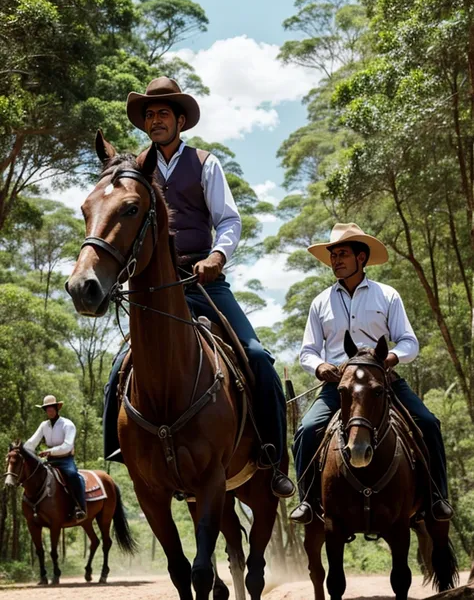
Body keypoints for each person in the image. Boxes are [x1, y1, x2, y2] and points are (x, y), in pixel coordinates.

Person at [104, 76, 294, 499]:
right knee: (118, 369)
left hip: (203, 282)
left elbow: (229, 220)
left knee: (259, 358)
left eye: (163, 114)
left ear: (181, 120)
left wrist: (217, 257)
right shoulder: (134, 168)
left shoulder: (205, 162)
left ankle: (272, 456)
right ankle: (119, 449)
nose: (155, 120)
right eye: (150, 115)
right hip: (152, 292)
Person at [289, 222, 453, 525]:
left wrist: (389, 358)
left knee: (429, 423)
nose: (335, 260)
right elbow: (308, 351)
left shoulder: (387, 295)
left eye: (342, 254)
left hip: (383, 382)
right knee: (305, 431)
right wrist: (320, 366)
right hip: (339, 386)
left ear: (361, 257)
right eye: (333, 255)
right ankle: (308, 502)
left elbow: (409, 342)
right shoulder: (320, 302)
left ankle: (436, 499)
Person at [24, 395, 86, 520]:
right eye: (47, 409)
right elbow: (32, 442)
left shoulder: (67, 424)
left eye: (51, 408)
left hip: (65, 460)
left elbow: (67, 446)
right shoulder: (44, 425)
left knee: (73, 475)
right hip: (50, 461)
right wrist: (23, 451)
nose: (49, 411)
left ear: (57, 408)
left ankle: (79, 506)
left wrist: (49, 451)